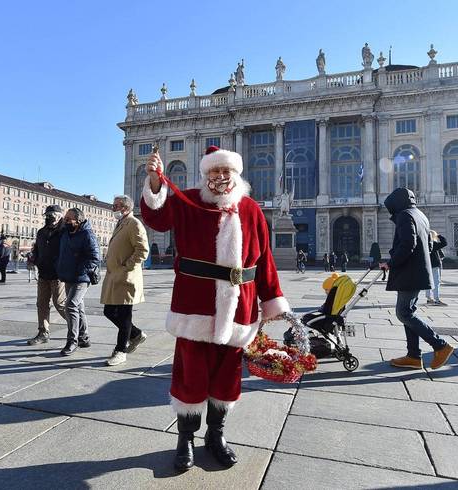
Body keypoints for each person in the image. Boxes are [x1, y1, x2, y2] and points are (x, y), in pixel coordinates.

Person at [141, 145, 291, 471]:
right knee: (189, 375)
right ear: (205, 175)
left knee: (227, 377)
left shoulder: (250, 209)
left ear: (235, 175)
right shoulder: (190, 200)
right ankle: (185, 439)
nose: (220, 177)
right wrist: (155, 183)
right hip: (195, 304)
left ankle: (216, 435)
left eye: (226, 172)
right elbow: (157, 216)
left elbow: (264, 260)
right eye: (214, 172)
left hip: (240, 308)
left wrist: (273, 300)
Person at [382, 188, 454, 371]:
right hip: (417, 272)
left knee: (403, 313)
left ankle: (440, 345)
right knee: (408, 313)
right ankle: (413, 356)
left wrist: (391, 262)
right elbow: (429, 244)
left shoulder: (405, 215)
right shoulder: (420, 215)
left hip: (409, 274)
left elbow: (408, 244)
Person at [100, 195, 149, 366]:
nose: (113, 208)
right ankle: (135, 334)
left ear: (126, 207)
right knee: (109, 311)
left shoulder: (134, 223)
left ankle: (120, 351)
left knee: (124, 314)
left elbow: (143, 250)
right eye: (113, 205)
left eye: (117, 205)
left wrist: (126, 266)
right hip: (115, 276)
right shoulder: (121, 223)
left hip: (126, 277)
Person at [56, 208, 99, 356]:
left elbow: (95, 257)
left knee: (71, 305)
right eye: (65, 218)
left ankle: (72, 341)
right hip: (68, 275)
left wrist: (81, 269)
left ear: (78, 221)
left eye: (68, 219)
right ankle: (84, 337)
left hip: (81, 277)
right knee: (78, 307)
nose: (65, 221)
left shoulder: (87, 234)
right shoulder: (66, 233)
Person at [28, 205, 67, 345]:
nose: (49, 218)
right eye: (47, 215)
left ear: (60, 216)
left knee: (60, 304)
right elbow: (37, 249)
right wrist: (35, 259)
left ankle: (78, 328)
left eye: (52, 215)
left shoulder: (65, 231)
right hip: (43, 273)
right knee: (41, 304)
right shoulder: (41, 232)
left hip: (58, 274)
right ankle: (43, 332)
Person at [425, 230, 448, 306]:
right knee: (436, 282)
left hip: (426, 265)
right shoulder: (433, 244)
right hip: (434, 265)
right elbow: (444, 242)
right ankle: (436, 299)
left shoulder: (424, 244)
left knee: (428, 282)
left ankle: (429, 298)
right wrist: (438, 235)